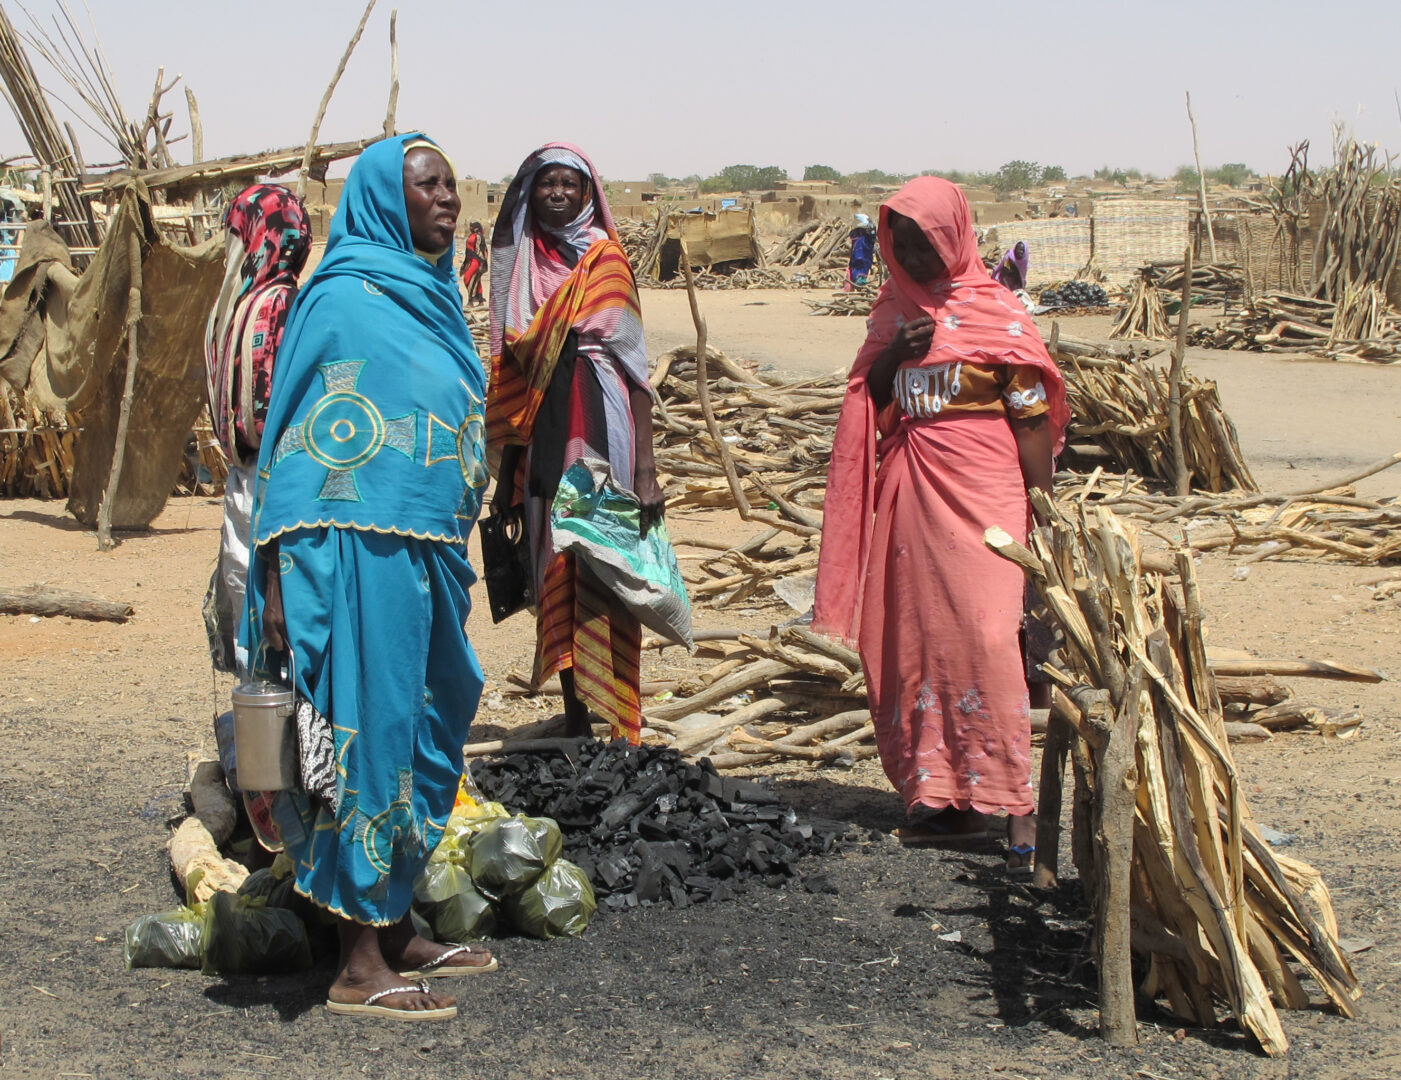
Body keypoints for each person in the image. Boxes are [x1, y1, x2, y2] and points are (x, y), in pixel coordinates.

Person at [241, 134, 495, 1022]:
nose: (448, 199)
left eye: (453, 185)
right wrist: (274, 578)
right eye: (428, 185)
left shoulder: (428, 293)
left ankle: (394, 923)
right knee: (369, 735)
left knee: (431, 726)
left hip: (424, 551)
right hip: (347, 553)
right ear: (387, 197)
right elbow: (295, 441)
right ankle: (355, 962)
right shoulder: (343, 298)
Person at [812, 177, 1068, 870]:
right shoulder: (891, 312)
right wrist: (895, 356)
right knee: (916, 644)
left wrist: (1041, 512)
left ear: (954, 236)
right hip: (911, 502)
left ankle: (1018, 811)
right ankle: (944, 801)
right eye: (900, 241)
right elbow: (870, 402)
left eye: (924, 240)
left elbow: (1031, 418)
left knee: (992, 640)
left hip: (987, 498)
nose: (912, 253)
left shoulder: (998, 313)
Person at [486, 142, 667, 745]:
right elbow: (515, 378)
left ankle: (617, 713)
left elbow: (638, 372)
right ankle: (578, 714)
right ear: (529, 193)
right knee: (555, 567)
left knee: (606, 564)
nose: (557, 193)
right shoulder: (522, 274)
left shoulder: (607, 262)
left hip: (601, 424)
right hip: (543, 438)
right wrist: (504, 475)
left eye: (569, 183)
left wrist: (644, 470)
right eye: (546, 184)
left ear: (588, 194)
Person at [202, 184, 311, 679]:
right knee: (247, 607)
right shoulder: (250, 305)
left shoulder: (283, 308)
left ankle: (281, 748)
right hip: (246, 480)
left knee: (272, 617)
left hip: (276, 486)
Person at [846, 211, 876, 290]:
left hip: (864, 256)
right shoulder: (860, 236)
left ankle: (859, 282)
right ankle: (858, 282)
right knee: (859, 267)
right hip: (860, 256)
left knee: (862, 267)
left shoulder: (862, 235)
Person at [460, 220, 487, 305]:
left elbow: (483, 250)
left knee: (467, 278)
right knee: (476, 280)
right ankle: (480, 299)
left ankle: (471, 300)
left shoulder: (479, 236)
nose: (471, 228)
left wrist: (483, 262)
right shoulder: (471, 235)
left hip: (477, 260)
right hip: (470, 260)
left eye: (473, 227)